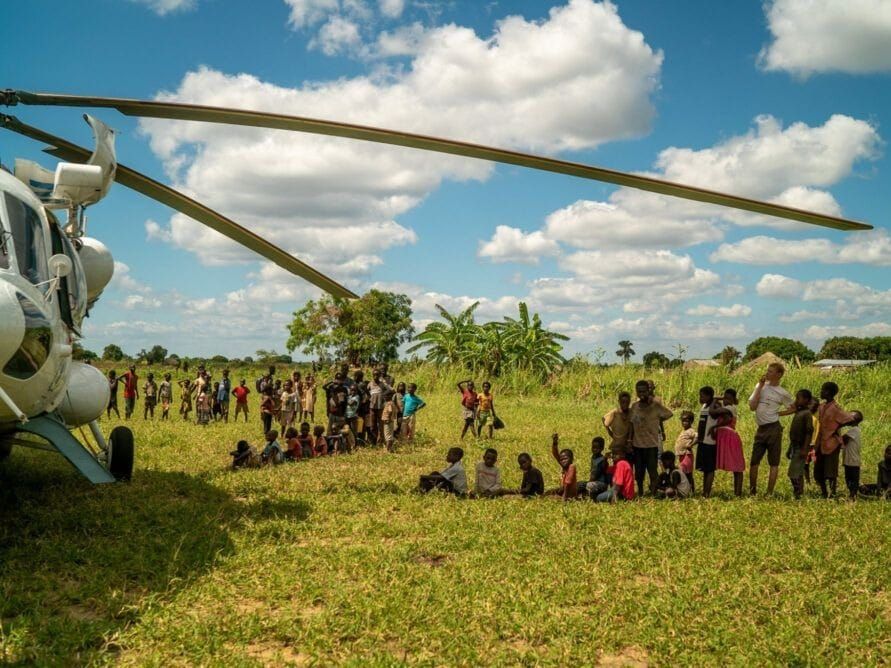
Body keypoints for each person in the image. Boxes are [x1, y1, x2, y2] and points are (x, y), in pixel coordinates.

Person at [748, 362, 795, 496]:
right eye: (767, 371)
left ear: (778, 375)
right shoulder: (761, 386)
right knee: (754, 461)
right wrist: (760, 386)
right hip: (761, 428)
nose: (767, 373)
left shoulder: (782, 393)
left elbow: (793, 408)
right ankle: (752, 490)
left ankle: (769, 492)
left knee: (773, 462)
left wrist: (779, 414)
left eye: (770, 371)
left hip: (773, 428)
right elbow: (752, 406)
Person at [629, 379, 674, 496]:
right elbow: (631, 424)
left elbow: (669, 414)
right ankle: (640, 492)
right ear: (636, 392)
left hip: (651, 445)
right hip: (637, 445)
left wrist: (655, 419)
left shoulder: (655, 406)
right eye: (639, 392)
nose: (642, 394)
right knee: (639, 473)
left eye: (644, 391)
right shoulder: (634, 407)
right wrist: (630, 441)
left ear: (649, 391)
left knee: (652, 471)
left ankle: (653, 493)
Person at [815, 382, 858, 499]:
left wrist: (836, 428)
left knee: (830, 471)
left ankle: (832, 493)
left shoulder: (835, 408)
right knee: (819, 470)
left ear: (828, 392)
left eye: (823, 390)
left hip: (831, 444)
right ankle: (824, 492)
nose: (821, 392)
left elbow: (850, 418)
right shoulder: (822, 406)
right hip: (820, 443)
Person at [787, 390, 815, 499]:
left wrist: (805, 448)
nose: (796, 401)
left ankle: (798, 492)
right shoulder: (799, 412)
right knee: (798, 472)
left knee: (793, 473)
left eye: (799, 398)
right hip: (795, 446)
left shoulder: (806, 414)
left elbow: (809, 431)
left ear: (806, 400)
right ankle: (799, 492)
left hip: (801, 447)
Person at [713, 406, 745, 496]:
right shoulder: (721, 406)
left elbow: (727, 418)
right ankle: (737, 493)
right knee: (737, 466)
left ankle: (738, 493)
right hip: (723, 437)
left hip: (728, 437)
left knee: (738, 466)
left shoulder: (730, 408)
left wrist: (715, 426)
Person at [696, 386, 719, 498]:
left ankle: (707, 493)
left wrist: (716, 428)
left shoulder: (714, 406)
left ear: (709, 396)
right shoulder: (704, 406)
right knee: (704, 468)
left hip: (710, 442)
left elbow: (725, 417)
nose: (700, 397)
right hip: (702, 441)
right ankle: (704, 491)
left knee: (710, 469)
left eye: (702, 395)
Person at [841, 411, 864, 501]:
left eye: (849, 417)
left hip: (853, 460)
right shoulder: (854, 430)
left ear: (854, 420)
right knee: (849, 477)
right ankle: (852, 493)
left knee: (853, 478)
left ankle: (853, 495)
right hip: (849, 459)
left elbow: (843, 439)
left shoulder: (854, 430)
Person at [549, 433, 577, 500]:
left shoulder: (571, 467)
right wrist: (555, 443)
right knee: (548, 493)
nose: (563, 461)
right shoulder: (564, 466)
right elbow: (556, 454)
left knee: (550, 498)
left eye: (565, 459)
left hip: (569, 495)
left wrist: (564, 496)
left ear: (571, 459)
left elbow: (568, 483)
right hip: (563, 491)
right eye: (561, 460)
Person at [603, 392, 632, 456]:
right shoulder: (615, 412)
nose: (625, 404)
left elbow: (632, 426)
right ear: (619, 402)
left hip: (628, 445)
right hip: (617, 446)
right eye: (623, 402)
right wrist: (610, 432)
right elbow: (604, 420)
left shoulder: (631, 412)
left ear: (630, 402)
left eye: (627, 402)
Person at [674, 411, 697, 494]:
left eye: (686, 421)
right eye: (683, 421)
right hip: (682, 455)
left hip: (687, 455)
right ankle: (686, 490)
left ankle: (691, 491)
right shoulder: (684, 431)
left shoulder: (691, 431)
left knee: (688, 474)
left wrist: (691, 445)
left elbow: (697, 437)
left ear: (691, 422)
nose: (684, 423)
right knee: (684, 473)